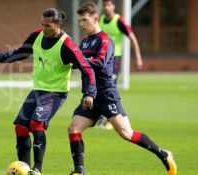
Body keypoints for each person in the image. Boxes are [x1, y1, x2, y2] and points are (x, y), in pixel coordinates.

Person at [68, 2, 177, 175]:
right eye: (79, 20)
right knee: (74, 128)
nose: (81, 24)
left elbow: (101, 64)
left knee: (126, 133)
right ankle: (79, 171)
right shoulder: (84, 42)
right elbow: (85, 72)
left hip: (106, 95)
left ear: (96, 19)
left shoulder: (105, 40)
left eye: (84, 20)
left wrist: (80, 62)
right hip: (90, 96)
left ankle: (163, 154)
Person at [0, 8, 96, 175]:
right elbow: (20, 53)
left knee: (36, 124)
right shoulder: (37, 36)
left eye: (48, 26)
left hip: (55, 93)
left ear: (58, 25)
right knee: (20, 127)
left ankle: (37, 169)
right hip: (37, 91)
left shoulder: (67, 45)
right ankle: (24, 168)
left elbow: (87, 69)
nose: (44, 29)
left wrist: (89, 93)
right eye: (42, 25)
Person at [97, 0, 144, 129]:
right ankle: (100, 115)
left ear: (113, 7)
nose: (106, 7)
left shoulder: (119, 21)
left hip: (114, 58)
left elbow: (132, 37)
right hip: (101, 59)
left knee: (110, 86)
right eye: (105, 5)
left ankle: (110, 118)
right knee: (99, 86)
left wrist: (138, 57)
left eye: (109, 5)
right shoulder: (99, 20)